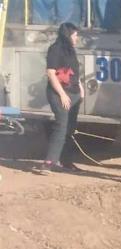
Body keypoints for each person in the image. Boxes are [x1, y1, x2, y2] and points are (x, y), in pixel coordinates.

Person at [37, 22, 83, 175]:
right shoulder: (55, 49)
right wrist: (62, 94)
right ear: (67, 34)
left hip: (74, 93)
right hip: (59, 95)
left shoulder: (71, 51)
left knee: (70, 130)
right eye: (75, 35)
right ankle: (48, 163)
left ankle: (66, 161)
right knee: (61, 127)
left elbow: (74, 72)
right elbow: (51, 73)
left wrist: (80, 90)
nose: (77, 38)